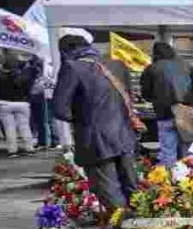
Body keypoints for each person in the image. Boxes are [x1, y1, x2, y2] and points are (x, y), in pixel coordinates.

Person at [53, 34, 141, 217]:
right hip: (124, 134)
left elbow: (60, 109)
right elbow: (129, 98)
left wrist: (84, 118)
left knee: (109, 190)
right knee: (132, 187)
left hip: (95, 139)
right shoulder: (118, 65)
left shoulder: (72, 67)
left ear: (65, 52)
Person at [140, 42, 193, 166]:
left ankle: (170, 180)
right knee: (189, 151)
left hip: (164, 114)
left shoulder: (152, 68)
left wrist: (155, 99)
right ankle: (191, 180)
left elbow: (145, 93)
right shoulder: (186, 66)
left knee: (167, 152)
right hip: (186, 114)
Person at [0, 51, 36, 157]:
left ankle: (12, 150)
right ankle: (29, 148)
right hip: (22, 103)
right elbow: (28, 90)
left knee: (9, 128)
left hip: (4, 103)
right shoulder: (24, 76)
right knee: (24, 126)